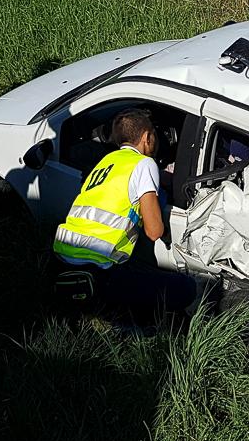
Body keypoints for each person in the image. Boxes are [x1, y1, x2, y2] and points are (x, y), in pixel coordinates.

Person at [53, 108, 196, 315]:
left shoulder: (107, 161)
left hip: (63, 259)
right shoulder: (145, 163)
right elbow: (154, 231)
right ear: (147, 137)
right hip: (101, 271)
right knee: (187, 288)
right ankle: (134, 322)